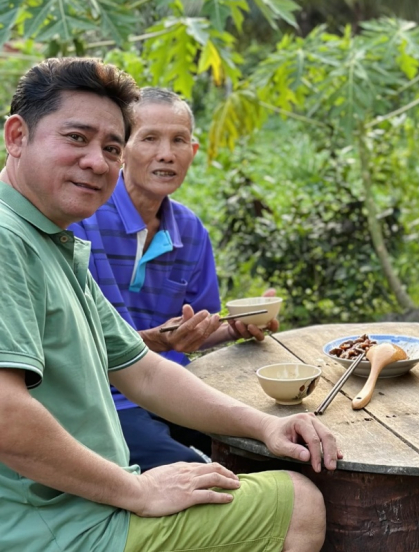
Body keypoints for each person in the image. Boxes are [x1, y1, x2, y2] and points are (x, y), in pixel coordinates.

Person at [0, 57, 339, 552]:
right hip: (57, 528)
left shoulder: (52, 241)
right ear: (17, 137)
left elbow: (145, 372)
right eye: (76, 138)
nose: (97, 161)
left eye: (110, 147)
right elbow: (6, 415)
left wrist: (266, 424)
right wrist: (137, 489)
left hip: (82, 502)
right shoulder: (9, 240)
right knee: (298, 499)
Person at [69, 87, 276, 470]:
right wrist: (154, 342)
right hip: (103, 398)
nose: (167, 154)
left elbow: (191, 327)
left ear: (192, 153)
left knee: (267, 449)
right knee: (201, 472)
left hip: (173, 390)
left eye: (179, 140)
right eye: (149, 138)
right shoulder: (82, 217)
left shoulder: (190, 231)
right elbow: (71, 341)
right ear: (121, 150)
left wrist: (234, 328)